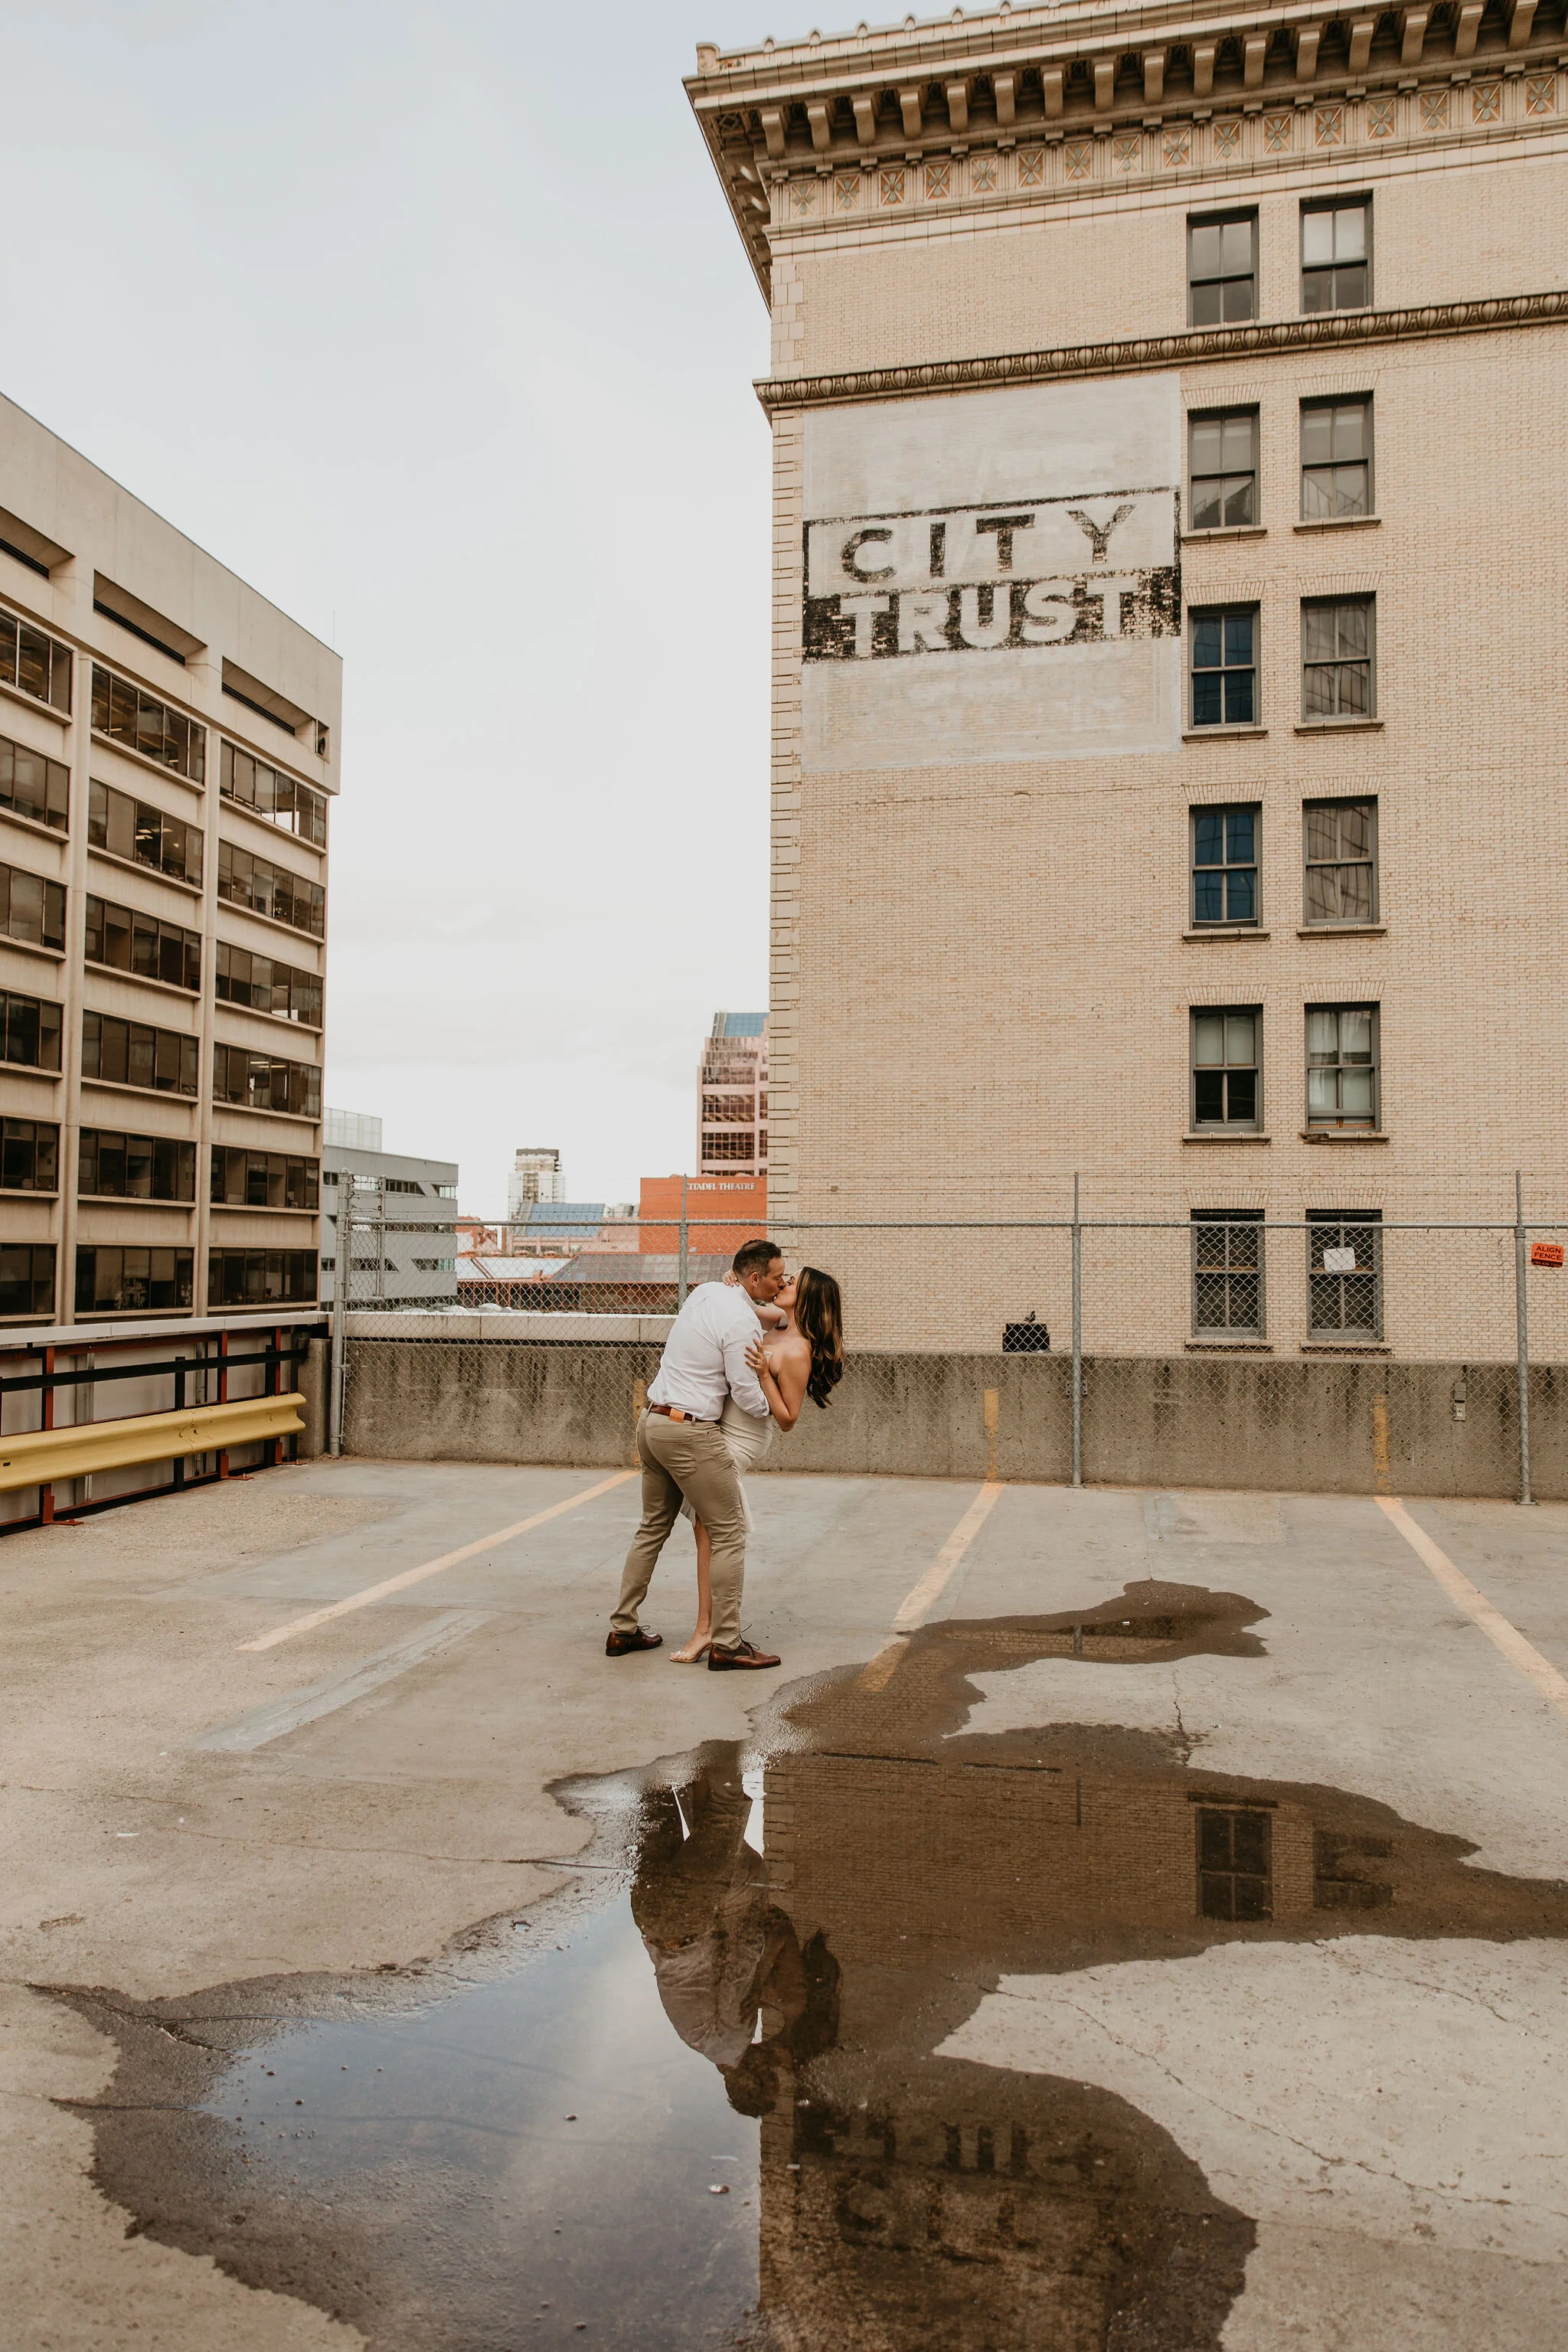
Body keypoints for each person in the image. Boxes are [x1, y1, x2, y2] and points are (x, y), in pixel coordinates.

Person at [606, 1236, 785, 1671]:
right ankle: (727, 1643)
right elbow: (745, 1392)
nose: (781, 1287)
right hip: (688, 1431)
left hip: (651, 1423)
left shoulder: (705, 1292)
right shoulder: (742, 1323)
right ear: (756, 1277)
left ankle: (622, 1629)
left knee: (652, 1528)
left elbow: (772, 1314)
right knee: (729, 1532)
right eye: (777, 1279)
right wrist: (769, 1407)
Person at [670, 1266, 845, 1663]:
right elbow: (742, 1308)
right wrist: (736, 1285)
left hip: (741, 1439)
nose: (783, 1283)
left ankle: (708, 1633)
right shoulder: (779, 1322)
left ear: (810, 1298)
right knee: (706, 1533)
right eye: (785, 1278)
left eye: (792, 1282)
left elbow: (787, 1419)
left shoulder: (798, 1349)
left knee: (712, 1534)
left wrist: (766, 1375)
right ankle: (708, 1631)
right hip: (718, 1429)